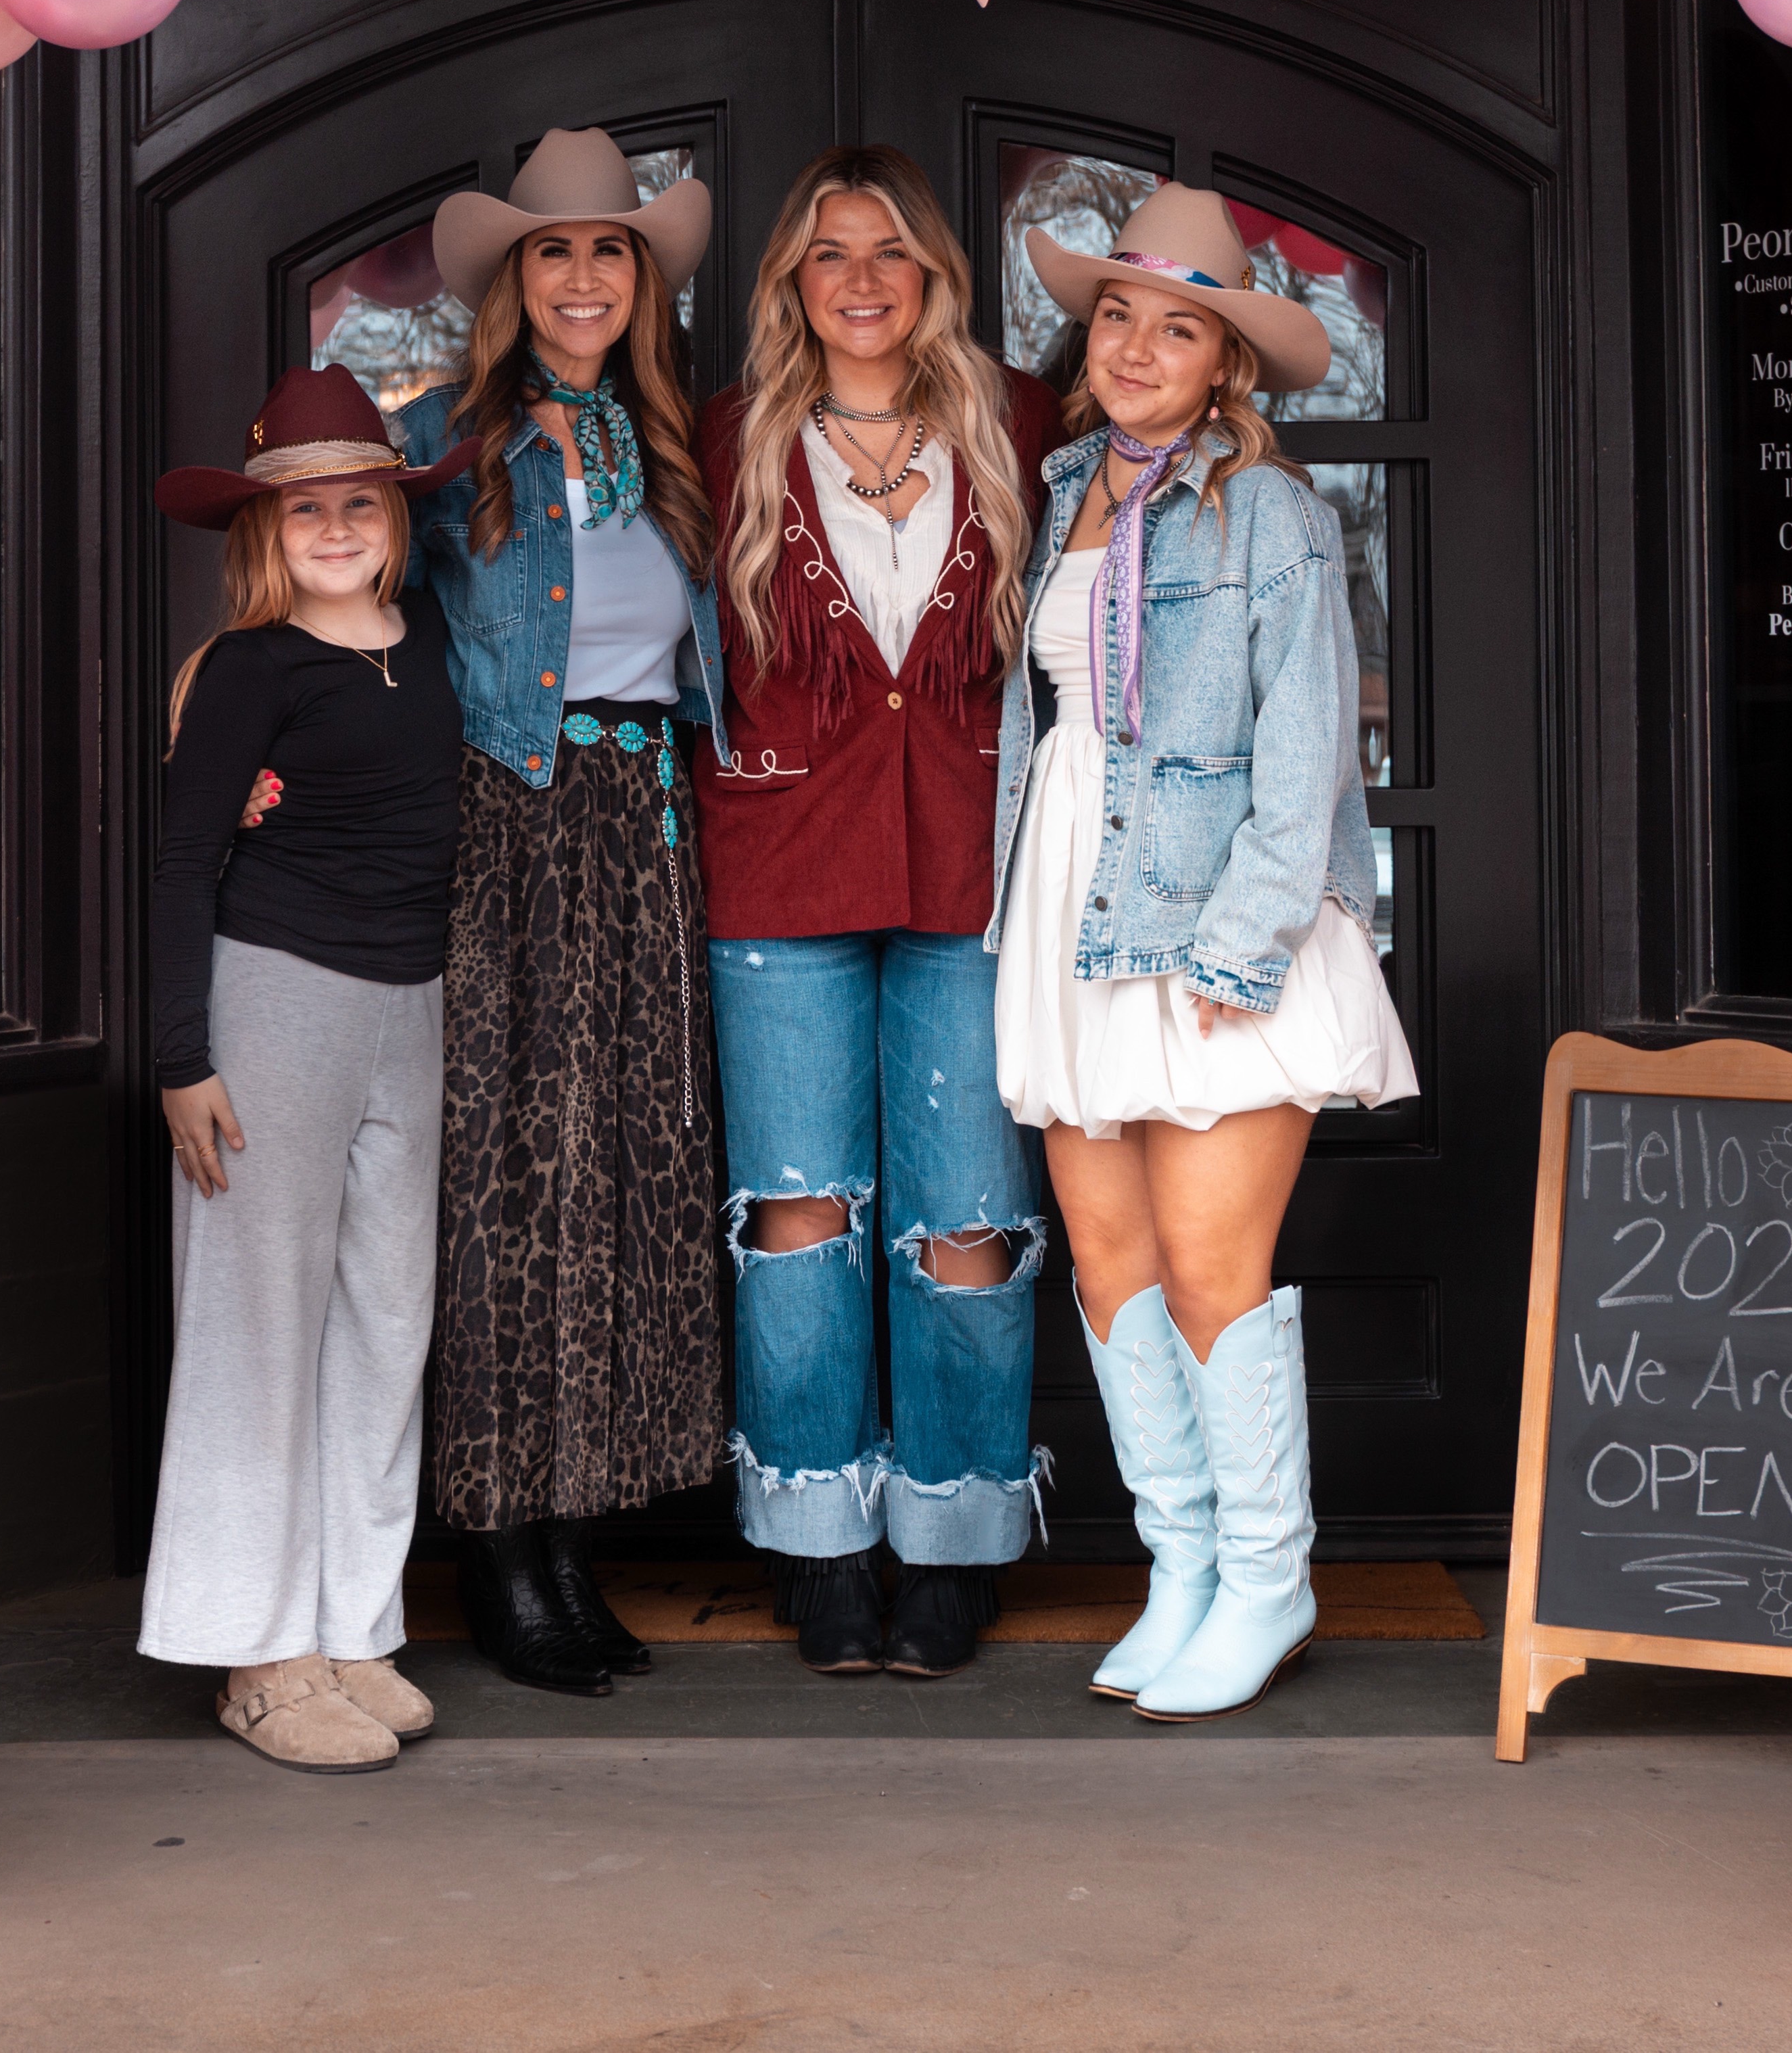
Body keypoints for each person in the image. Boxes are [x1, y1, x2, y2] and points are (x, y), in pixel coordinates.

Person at [987, 184, 1415, 1722]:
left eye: (1177, 329)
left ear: (1226, 361)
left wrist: (1235, 955)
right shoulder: (1062, 491)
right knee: (1110, 1266)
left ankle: (1267, 1575)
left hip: (1214, 913)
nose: (1135, 348)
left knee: (1211, 1268)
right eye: (1117, 316)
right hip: (1075, 911)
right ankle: (1180, 1567)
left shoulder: (1271, 514)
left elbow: (1304, 759)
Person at [700, 148, 1064, 1680]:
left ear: (934, 278)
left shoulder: (1021, 423)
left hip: (971, 868)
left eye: (891, 252)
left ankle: (957, 1535)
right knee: (798, 1220)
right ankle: (816, 1538)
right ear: (792, 279)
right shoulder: (725, 438)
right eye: (829, 252)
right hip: (778, 862)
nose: (861, 279)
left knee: (968, 1223)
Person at [390, 127, 732, 1697]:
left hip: (645, 832)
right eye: (554, 251)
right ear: (512, 279)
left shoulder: (676, 452)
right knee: (508, 1184)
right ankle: (496, 1549)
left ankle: (572, 1539)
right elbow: (333, 614)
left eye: (610, 251)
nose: (584, 277)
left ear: (641, 283)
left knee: (622, 1182)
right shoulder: (440, 445)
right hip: (505, 830)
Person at [141, 364, 471, 1773]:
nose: (334, 528)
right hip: (275, 997)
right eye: (303, 509)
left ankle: (351, 1624)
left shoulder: (433, 636)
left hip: (414, 1002)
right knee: (256, 1324)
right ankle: (256, 1655)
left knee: (385, 1318)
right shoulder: (249, 669)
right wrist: (181, 1053)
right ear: (264, 533)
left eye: (359, 505)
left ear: (396, 523)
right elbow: (180, 863)